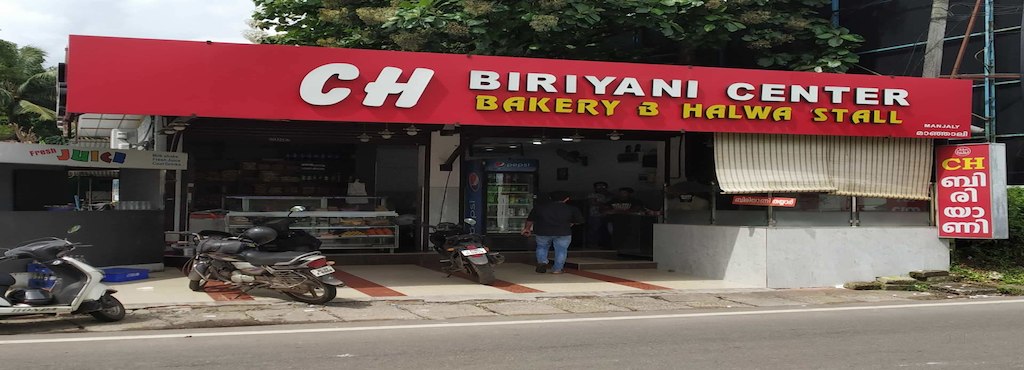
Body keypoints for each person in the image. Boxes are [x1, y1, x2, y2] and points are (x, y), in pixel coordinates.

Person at [521, 191, 584, 274]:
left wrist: (527, 229)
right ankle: (557, 269)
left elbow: (530, 219)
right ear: (567, 199)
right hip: (563, 232)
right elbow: (578, 221)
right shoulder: (572, 208)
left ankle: (542, 262)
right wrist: (569, 224)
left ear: (550, 198)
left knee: (542, 247)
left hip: (542, 231)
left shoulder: (539, 207)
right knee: (561, 250)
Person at [586, 181, 612, 248]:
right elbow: (592, 202)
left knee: (606, 230)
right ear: (595, 188)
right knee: (594, 230)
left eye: (603, 186)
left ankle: (605, 244)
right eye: (598, 186)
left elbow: (612, 204)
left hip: (607, 215)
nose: (601, 188)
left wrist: (600, 203)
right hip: (595, 215)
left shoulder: (610, 195)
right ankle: (592, 244)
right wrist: (604, 204)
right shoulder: (592, 194)